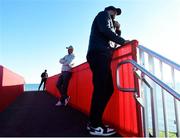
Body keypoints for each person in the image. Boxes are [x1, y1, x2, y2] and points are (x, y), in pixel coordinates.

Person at [86, 6, 131, 136]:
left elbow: (112, 40)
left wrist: (118, 30)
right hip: (99, 54)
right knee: (102, 89)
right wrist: (123, 41)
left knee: (107, 89)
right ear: (109, 10)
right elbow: (105, 30)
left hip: (102, 55)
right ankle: (95, 125)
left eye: (117, 13)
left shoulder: (110, 23)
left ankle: (94, 121)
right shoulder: (103, 14)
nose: (116, 14)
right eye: (115, 12)